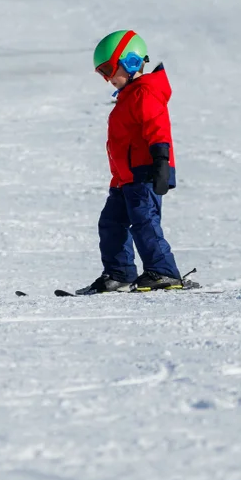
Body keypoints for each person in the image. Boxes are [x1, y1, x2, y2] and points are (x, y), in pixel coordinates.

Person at [70, 30, 187, 295]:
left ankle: (164, 272)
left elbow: (157, 126)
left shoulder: (145, 92)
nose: (107, 78)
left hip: (144, 173)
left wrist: (161, 160)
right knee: (110, 223)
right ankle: (119, 274)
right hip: (124, 178)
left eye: (109, 69)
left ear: (131, 61)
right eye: (102, 73)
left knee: (144, 221)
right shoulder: (128, 96)